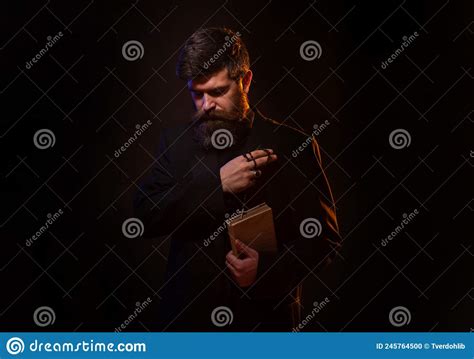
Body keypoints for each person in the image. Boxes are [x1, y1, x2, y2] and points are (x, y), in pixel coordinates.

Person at [134, 27, 341, 331]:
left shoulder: (292, 144)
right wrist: (217, 186)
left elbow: (324, 239)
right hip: (188, 328)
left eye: (218, 92)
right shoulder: (174, 142)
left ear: (245, 81)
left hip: (265, 327)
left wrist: (266, 272)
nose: (207, 106)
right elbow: (145, 214)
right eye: (197, 94)